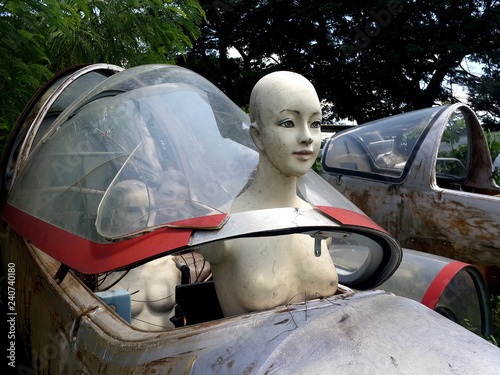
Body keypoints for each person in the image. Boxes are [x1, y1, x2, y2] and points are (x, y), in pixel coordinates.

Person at [201, 71, 339, 317]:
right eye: (288, 123)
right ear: (258, 136)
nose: (307, 136)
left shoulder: (320, 223)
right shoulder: (223, 224)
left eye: (315, 123)